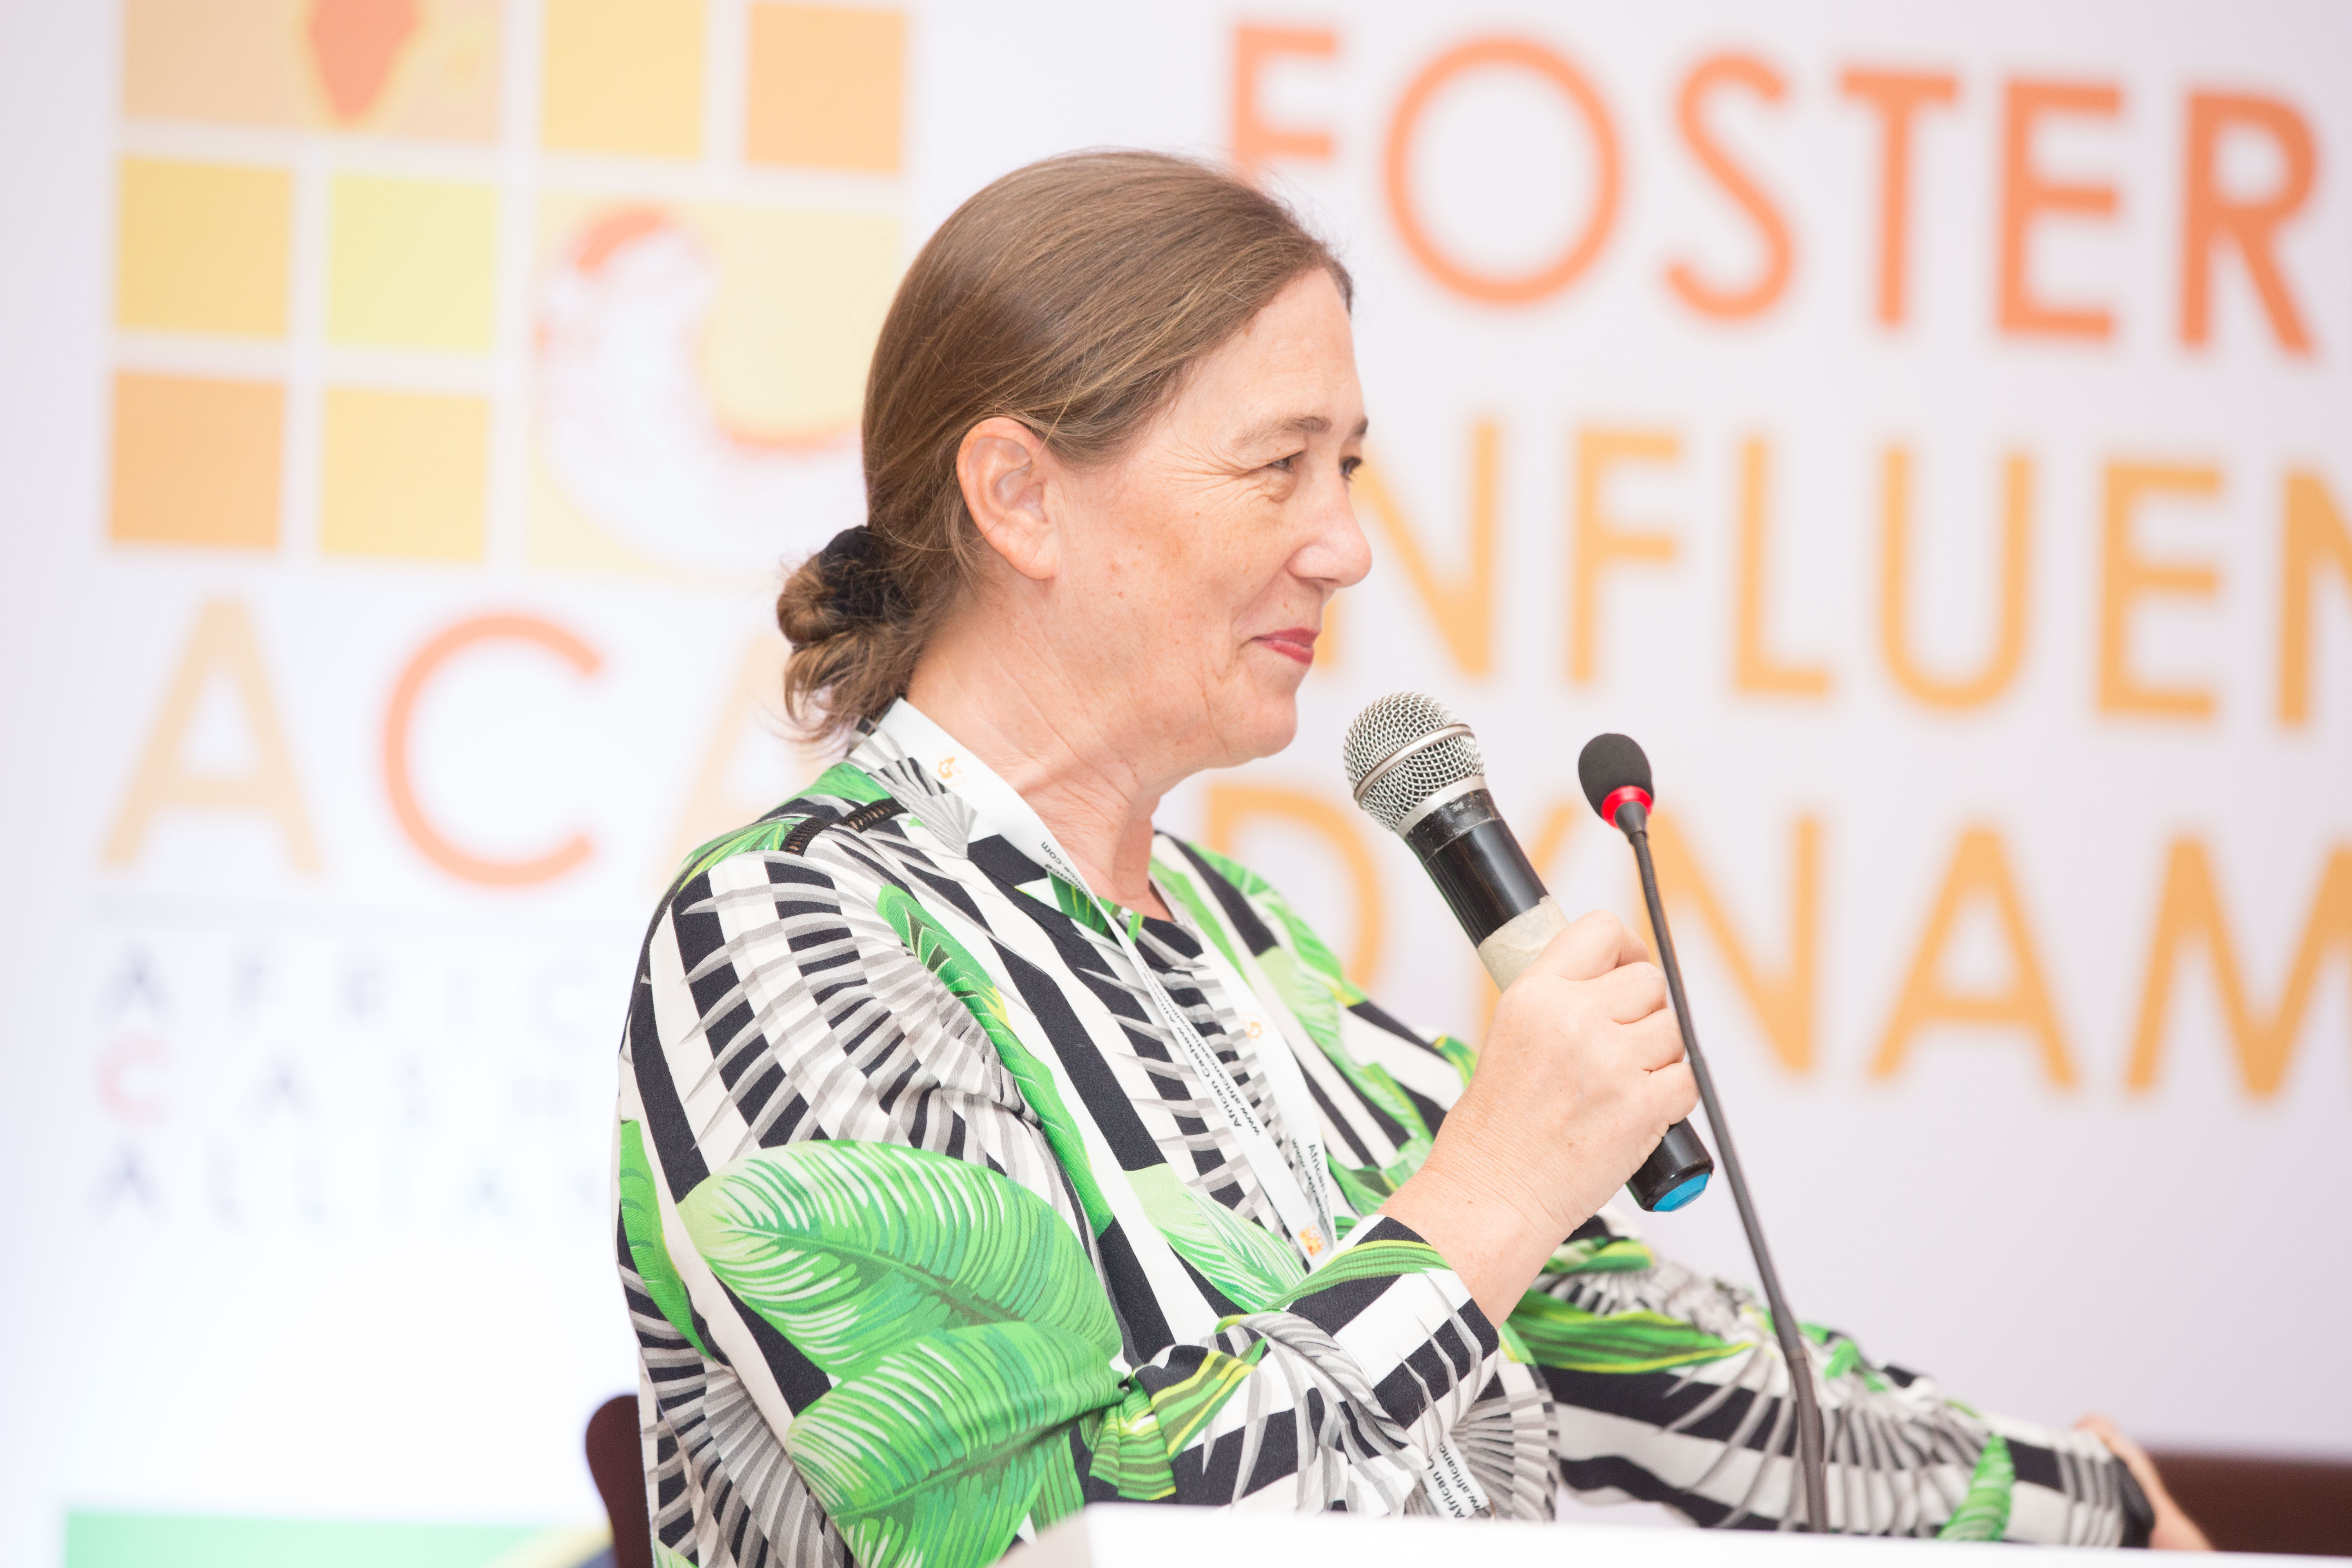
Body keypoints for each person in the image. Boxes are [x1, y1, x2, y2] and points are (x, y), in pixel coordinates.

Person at [612, 150, 2206, 1568]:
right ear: (1020, 495)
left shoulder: (1238, 941)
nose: (1348, 545)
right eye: (1279, 465)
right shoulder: (788, 930)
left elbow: (1644, 1371)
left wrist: (2089, 1505)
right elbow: (1042, 1537)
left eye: (1351, 468)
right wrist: (1495, 1186)